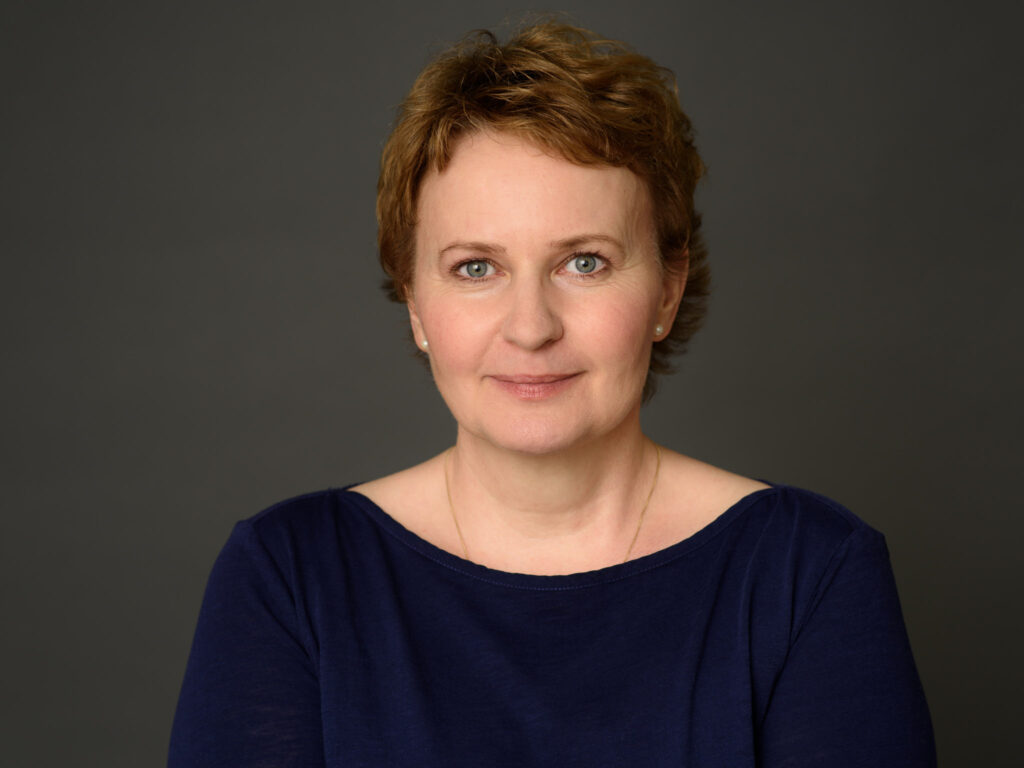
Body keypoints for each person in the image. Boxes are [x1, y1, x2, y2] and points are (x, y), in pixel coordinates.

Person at [169, 21, 935, 767]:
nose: (531, 327)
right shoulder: (289, 577)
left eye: (585, 262)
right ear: (414, 303)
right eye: (476, 267)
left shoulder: (811, 573)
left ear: (668, 291)